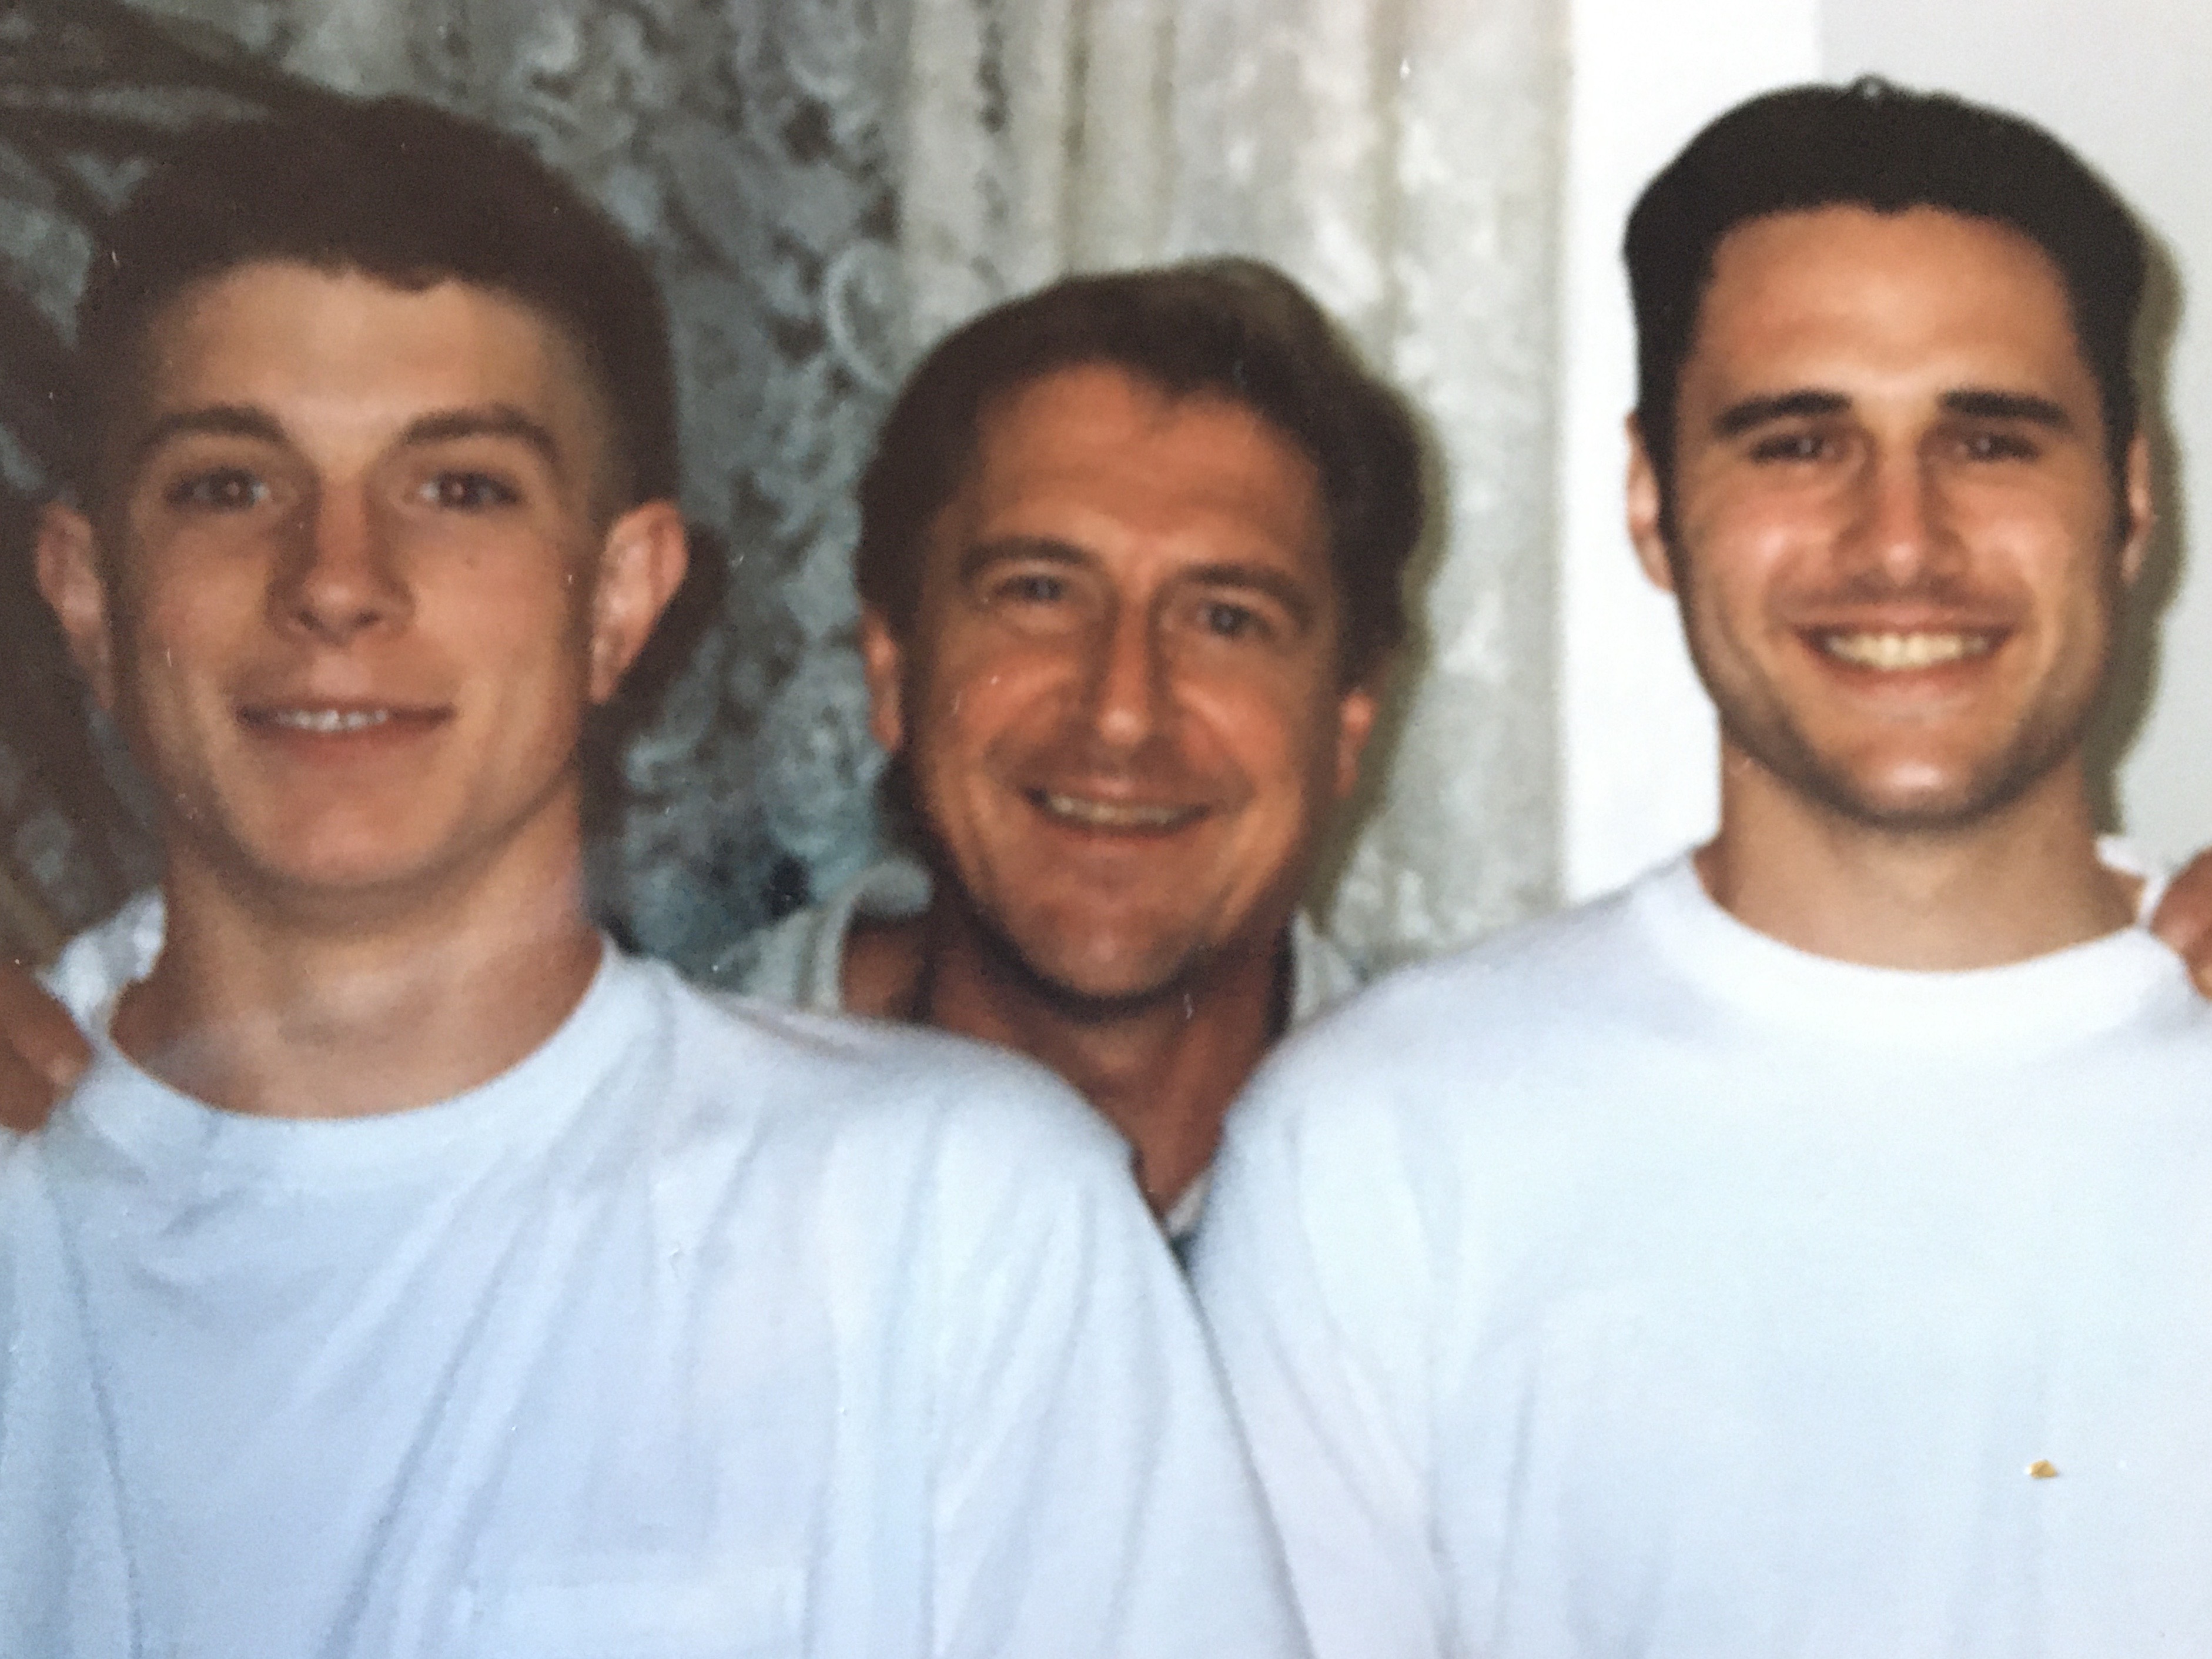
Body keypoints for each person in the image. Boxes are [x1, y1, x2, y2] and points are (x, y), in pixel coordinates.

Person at [0, 96, 1308, 1658]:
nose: (336, 582)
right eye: (229, 483)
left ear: (622, 598)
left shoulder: (938, 1217)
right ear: (88, 592)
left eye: (460, 487)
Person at [1193, 79, 2212, 1657]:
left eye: (1987, 440)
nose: (1900, 540)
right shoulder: (1380, 1145)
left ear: (2129, 500)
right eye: (1798, 442)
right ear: (1651, 503)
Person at [5, 258, 1427, 1249]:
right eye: (1038, 593)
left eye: (1227, 619)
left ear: (1350, 718)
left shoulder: (1475, 1171)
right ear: (890, 673)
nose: (1121, 710)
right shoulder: (588, 1134)